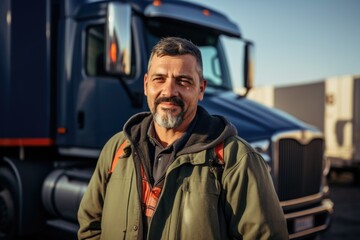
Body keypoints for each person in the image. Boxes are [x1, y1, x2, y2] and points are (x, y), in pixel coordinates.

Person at [77, 37, 288, 239]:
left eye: (183, 81)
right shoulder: (117, 148)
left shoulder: (237, 160)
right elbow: (91, 226)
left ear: (201, 89)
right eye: (159, 79)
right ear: (146, 85)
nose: (169, 91)